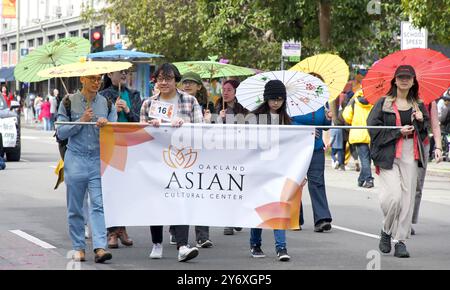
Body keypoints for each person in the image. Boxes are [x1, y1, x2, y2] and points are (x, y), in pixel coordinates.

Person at [140, 63, 203, 262]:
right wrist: (151, 127)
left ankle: (183, 245)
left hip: (182, 160)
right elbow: (139, 134)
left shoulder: (190, 101)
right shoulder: (148, 104)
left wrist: (185, 125)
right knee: (156, 201)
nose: (164, 82)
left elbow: (202, 129)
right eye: (160, 79)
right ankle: (157, 243)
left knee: (181, 199)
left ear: (176, 80)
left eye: (168, 78)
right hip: (155, 160)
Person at [367, 65, 429, 258]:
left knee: (407, 200)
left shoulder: (419, 104)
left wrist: (420, 121)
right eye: (400, 77)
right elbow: (372, 128)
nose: (404, 80)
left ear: (413, 81)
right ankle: (386, 230)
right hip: (388, 153)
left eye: (408, 77)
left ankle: (400, 241)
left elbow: (425, 133)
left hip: (411, 153)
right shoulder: (383, 103)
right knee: (393, 198)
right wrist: (397, 132)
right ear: (394, 80)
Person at [57, 74, 117, 263]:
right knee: (75, 207)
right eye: (92, 78)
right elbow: (60, 132)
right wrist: (82, 120)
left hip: (97, 159)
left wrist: (106, 126)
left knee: (98, 204)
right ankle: (78, 247)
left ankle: (100, 247)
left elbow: (115, 130)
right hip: (75, 158)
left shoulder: (107, 103)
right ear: (82, 79)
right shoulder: (67, 101)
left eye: (98, 78)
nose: (96, 82)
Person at [248, 80, 291, 261]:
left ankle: (281, 248)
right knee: (258, 208)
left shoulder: (287, 120)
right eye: (273, 99)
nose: (276, 102)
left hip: (278, 170)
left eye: (280, 99)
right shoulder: (254, 118)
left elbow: (293, 147)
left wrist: (309, 133)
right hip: (258, 169)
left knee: (278, 208)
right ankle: (255, 244)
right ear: (266, 98)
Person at [100, 68, 142, 249]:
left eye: (126, 72)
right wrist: (114, 112)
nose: (124, 75)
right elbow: (100, 121)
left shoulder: (134, 94)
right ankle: (112, 232)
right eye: (120, 72)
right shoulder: (102, 95)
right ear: (109, 75)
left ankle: (122, 229)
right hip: (110, 145)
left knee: (126, 190)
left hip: (131, 145)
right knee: (111, 189)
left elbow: (140, 120)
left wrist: (127, 109)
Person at [179, 71, 214, 248]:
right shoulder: (175, 102)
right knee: (179, 193)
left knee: (201, 193)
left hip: (202, 154)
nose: (187, 85)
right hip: (179, 155)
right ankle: (176, 231)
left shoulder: (211, 106)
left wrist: (213, 119)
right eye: (184, 82)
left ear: (199, 86)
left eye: (191, 82)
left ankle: (202, 235)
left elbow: (217, 132)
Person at [212, 79, 248, 234]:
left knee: (239, 185)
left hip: (240, 150)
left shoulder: (245, 109)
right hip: (222, 151)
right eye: (223, 89)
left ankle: (237, 217)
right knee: (226, 186)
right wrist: (218, 119)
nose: (225, 92)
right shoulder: (217, 106)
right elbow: (210, 130)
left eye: (229, 90)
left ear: (236, 92)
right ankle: (228, 221)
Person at [292, 102, 333, 232]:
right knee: (295, 182)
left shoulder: (321, 103)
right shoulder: (291, 100)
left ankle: (322, 219)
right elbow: (284, 120)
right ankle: (294, 218)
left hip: (316, 148)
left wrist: (328, 119)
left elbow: (325, 127)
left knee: (317, 182)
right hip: (295, 147)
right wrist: (305, 131)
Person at [411, 100, 443, 235]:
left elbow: (435, 126)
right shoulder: (400, 96)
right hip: (403, 142)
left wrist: (438, 147)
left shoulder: (430, 101)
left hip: (422, 143)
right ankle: (399, 218)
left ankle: (409, 220)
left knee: (417, 185)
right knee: (402, 183)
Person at [342, 90, 374, 188]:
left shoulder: (354, 102)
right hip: (371, 133)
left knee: (364, 158)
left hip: (358, 133)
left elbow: (346, 116)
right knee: (367, 159)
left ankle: (368, 180)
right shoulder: (374, 101)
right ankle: (361, 179)